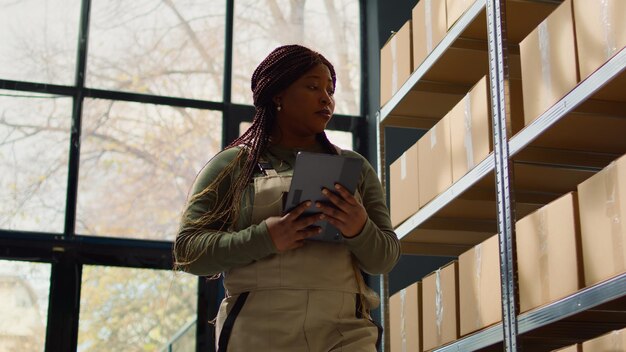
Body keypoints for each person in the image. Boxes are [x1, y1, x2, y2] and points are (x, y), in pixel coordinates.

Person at [174, 44, 400, 351]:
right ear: (278, 95)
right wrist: (266, 237)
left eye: (329, 90)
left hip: (345, 332)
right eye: (312, 87)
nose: (326, 98)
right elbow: (188, 251)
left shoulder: (356, 168)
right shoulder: (232, 165)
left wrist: (360, 228)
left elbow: (384, 257)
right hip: (258, 332)